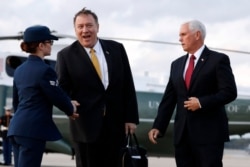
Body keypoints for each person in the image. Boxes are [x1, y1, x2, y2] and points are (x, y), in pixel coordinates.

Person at [55, 7, 139, 167]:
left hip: (115, 126)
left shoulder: (117, 49)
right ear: (75, 30)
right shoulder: (65, 56)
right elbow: (62, 89)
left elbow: (127, 84)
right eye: (80, 27)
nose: (85, 30)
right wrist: (68, 104)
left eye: (89, 25)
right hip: (85, 127)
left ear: (97, 27)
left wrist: (131, 118)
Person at [148, 20, 237, 167]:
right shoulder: (176, 64)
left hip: (209, 136)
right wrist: (158, 126)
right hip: (182, 136)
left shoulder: (218, 60)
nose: (179, 39)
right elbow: (169, 99)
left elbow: (230, 92)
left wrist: (201, 103)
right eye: (179, 35)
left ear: (197, 35)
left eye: (183, 34)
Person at [7, 25, 79, 167]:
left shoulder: (19, 70)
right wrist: (71, 108)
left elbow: (17, 102)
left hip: (16, 128)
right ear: (41, 45)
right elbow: (56, 95)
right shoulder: (45, 70)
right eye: (49, 42)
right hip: (32, 131)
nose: (51, 46)